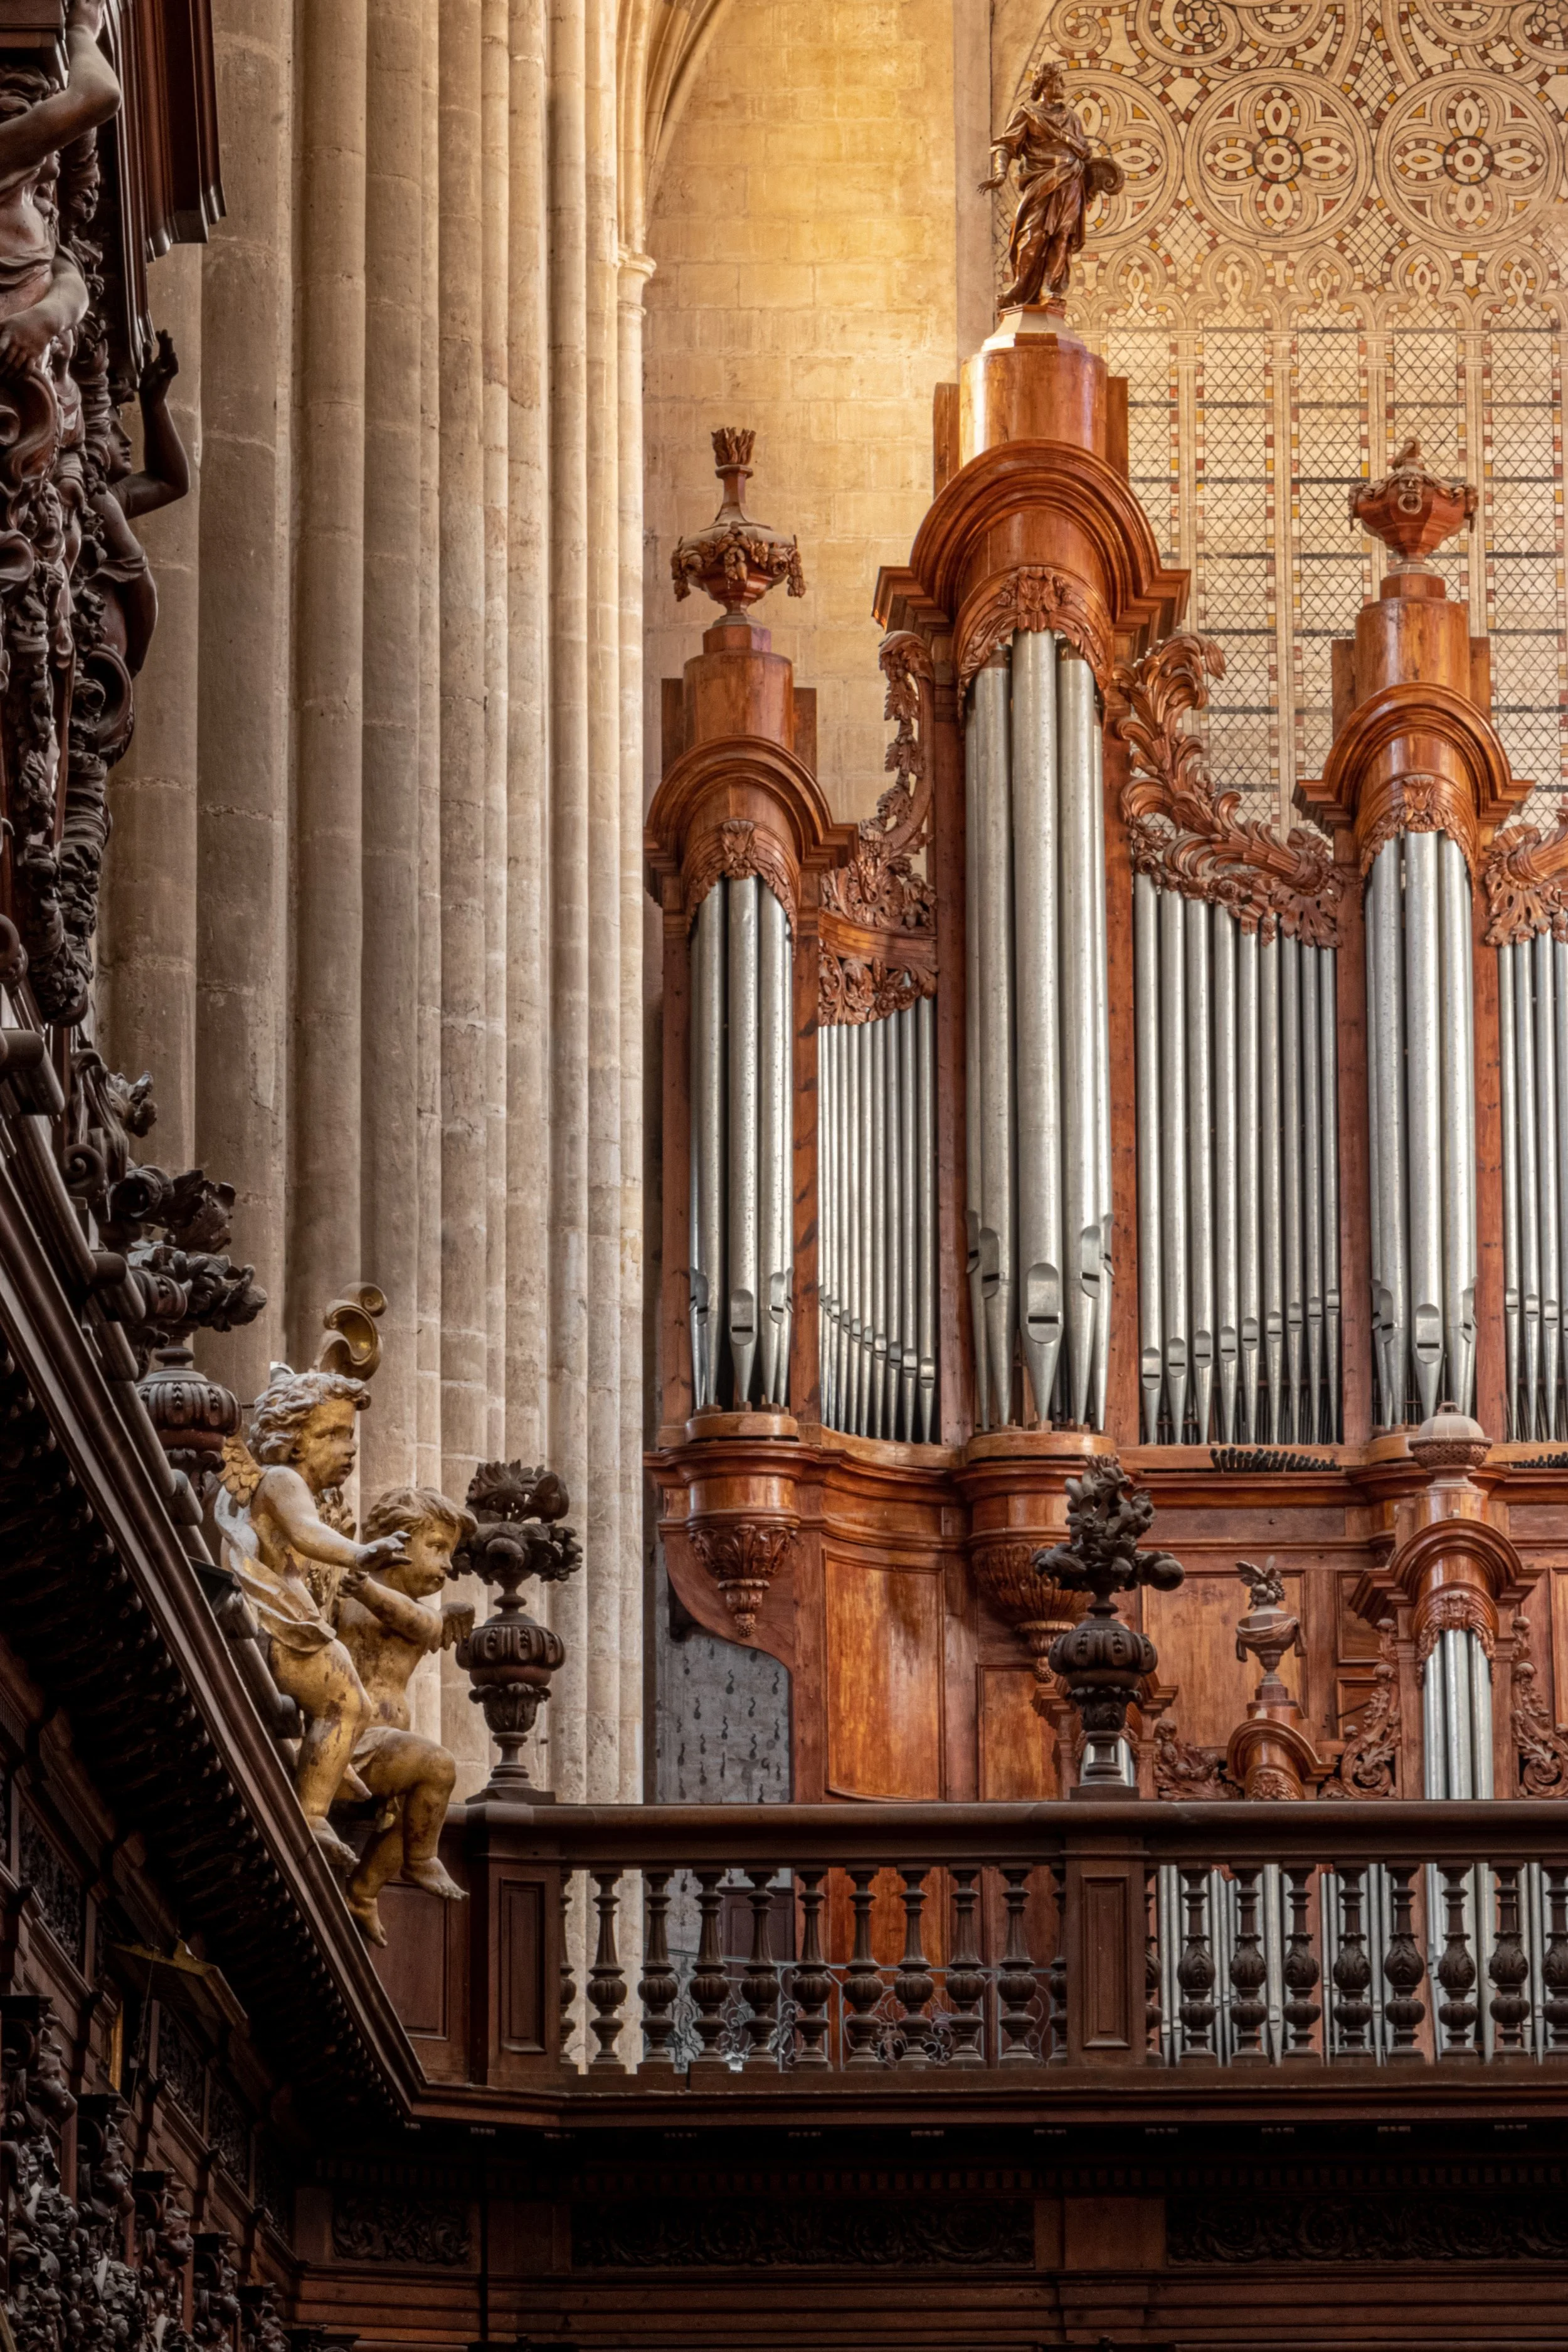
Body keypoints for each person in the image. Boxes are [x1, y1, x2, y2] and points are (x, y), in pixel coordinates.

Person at [216, 1370, 407, 1872]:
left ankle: (328, 1769)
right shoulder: (283, 1480)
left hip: (293, 1615)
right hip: (279, 1620)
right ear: (294, 1442)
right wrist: (360, 1552)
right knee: (347, 1702)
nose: (350, 1448)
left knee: (352, 1703)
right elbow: (306, 1533)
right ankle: (313, 1814)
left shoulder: (293, 1484)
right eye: (333, 1434)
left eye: (350, 1434)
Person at [333, 1485, 477, 1946]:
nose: (447, 1565)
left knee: (416, 1807)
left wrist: (365, 1587)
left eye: (450, 1552)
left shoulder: (417, 1613)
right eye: (436, 1547)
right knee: (437, 1766)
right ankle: (421, 1860)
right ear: (396, 1541)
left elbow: (416, 1624)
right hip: (348, 1736)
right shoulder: (344, 1595)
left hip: (386, 1742)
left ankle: (364, 1891)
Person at [981, 60, 1124, 310]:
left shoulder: (1072, 118)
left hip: (1070, 180)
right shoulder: (1026, 115)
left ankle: (1048, 288)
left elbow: (1084, 153)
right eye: (1058, 81)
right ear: (1044, 83)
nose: (1062, 86)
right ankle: (1019, 286)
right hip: (1042, 181)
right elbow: (1005, 145)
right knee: (1031, 234)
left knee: (1062, 236)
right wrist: (1001, 173)